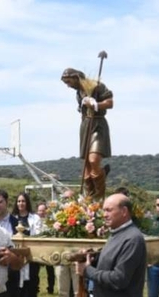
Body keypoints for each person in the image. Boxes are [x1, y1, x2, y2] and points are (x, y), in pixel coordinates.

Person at [60, 67, 113, 200]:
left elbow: (110, 103)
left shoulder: (96, 86)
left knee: (93, 160)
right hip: (85, 126)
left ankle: (100, 198)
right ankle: (91, 198)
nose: (68, 85)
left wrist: (96, 105)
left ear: (76, 77)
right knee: (87, 168)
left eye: (68, 82)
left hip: (98, 125)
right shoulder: (78, 93)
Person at [13, 192, 42, 297]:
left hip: (30, 257)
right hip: (16, 257)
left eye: (23, 201)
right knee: (16, 286)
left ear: (27, 203)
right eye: (19, 201)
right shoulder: (12, 218)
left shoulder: (35, 218)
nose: (21, 204)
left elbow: (38, 234)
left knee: (30, 286)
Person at [36, 202, 55, 294]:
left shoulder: (50, 222)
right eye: (39, 210)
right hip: (37, 248)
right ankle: (36, 288)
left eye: (43, 210)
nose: (41, 212)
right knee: (36, 270)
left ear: (46, 211)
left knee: (50, 270)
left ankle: (50, 288)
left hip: (48, 248)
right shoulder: (35, 221)